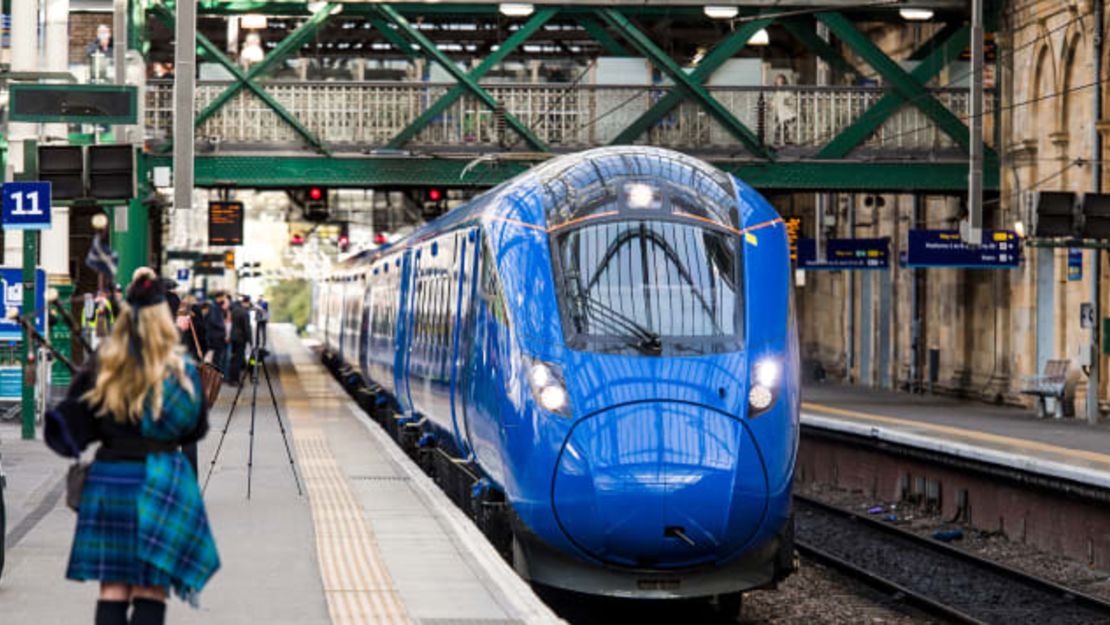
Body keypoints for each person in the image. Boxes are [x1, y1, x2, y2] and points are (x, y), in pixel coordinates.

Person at [44, 274, 220, 625]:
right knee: (151, 588)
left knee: (113, 588)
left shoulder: (106, 366)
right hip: (164, 480)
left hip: (112, 479)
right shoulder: (179, 368)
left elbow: (68, 432)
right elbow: (195, 428)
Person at [203, 293, 229, 378]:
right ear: (219, 298)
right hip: (216, 337)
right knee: (216, 358)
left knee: (216, 358)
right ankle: (214, 376)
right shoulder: (214, 307)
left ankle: (214, 375)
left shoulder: (216, 307)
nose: (224, 300)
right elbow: (214, 321)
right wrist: (223, 326)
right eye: (224, 298)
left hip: (216, 336)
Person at [228, 296, 252, 384]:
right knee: (238, 359)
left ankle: (231, 378)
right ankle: (235, 380)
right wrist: (250, 341)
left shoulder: (234, 310)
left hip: (233, 337)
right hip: (241, 338)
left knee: (233, 358)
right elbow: (247, 328)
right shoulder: (245, 313)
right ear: (247, 302)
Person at [771, 73, 797, 145]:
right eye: (778, 81)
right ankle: (785, 141)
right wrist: (772, 104)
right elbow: (775, 102)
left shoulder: (786, 91)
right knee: (782, 129)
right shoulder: (777, 92)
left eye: (780, 81)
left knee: (781, 129)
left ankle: (780, 142)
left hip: (788, 114)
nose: (779, 82)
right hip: (781, 114)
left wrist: (787, 101)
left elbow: (789, 99)